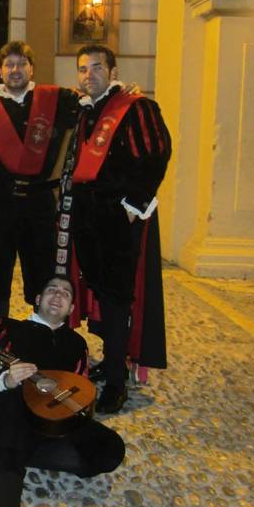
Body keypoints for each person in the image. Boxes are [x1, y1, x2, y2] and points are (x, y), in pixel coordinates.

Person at [64, 44, 171, 413]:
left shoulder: (136, 107)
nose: (88, 74)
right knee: (98, 292)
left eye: (96, 67)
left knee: (115, 299)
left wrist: (134, 204)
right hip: (87, 219)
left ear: (112, 70)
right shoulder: (82, 111)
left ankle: (115, 381)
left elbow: (156, 155)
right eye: (82, 69)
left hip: (117, 219)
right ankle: (109, 363)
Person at [0, 276, 125, 507]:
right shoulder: (7, 327)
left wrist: (71, 413)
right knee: (7, 421)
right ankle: (5, 473)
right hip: (14, 412)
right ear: (37, 299)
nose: (58, 295)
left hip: (55, 425)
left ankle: (8, 455)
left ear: (72, 309)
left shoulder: (78, 344)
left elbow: (81, 389)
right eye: (51, 290)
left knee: (111, 448)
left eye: (66, 293)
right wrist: (8, 379)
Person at [0, 41, 81, 324]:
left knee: (42, 275)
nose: (15, 70)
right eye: (9, 64)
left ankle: (42, 335)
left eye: (21, 63)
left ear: (31, 68)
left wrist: (123, 89)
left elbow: (90, 106)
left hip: (38, 206)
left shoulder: (55, 100)